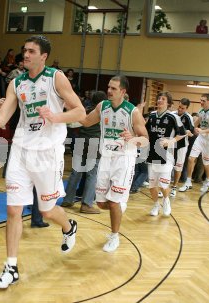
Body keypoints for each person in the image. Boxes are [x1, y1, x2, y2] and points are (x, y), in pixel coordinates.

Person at [0, 35, 85, 289]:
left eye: (31, 51)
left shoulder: (56, 77)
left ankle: (68, 225)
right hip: (20, 149)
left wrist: (55, 116)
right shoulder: (16, 83)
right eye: (24, 50)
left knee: (47, 210)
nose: (25, 54)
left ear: (43, 56)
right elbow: (1, 118)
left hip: (48, 152)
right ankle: (11, 267)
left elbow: (80, 113)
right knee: (13, 209)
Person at [79, 75, 148, 252]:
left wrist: (133, 138)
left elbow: (145, 139)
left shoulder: (132, 112)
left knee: (114, 202)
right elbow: (86, 121)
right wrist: (68, 111)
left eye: (114, 88)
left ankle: (115, 236)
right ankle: (120, 201)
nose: (109, 91)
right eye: (109, 87)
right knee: (102, 204)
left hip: (124, 160)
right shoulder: (102, 106)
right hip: (106, 158)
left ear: (123, 92)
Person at [61, 90, 106, 214]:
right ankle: (86, 204)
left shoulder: (85, 109)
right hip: (93, 142)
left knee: (76, 172)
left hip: (81, 141)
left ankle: (68, 199)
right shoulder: (103, 112)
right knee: (92, 174)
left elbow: (72, 124)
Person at [145, 92, 186, 217]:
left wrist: (170, 141)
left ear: (168, 103)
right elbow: (144, 132)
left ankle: (166, 200)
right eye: (159, 98)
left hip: (166, 155)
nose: (160, 100)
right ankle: (156, 204)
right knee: (152, 185)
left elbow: (182, 133)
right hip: (152, 153)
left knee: (163, 184)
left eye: (163, 99)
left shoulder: (173, 117)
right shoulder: (151, 116)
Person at [179, 94, 209, 193]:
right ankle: (188, 182)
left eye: (203, 101)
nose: (201, 102)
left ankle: (207, 180)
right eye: (200, 100)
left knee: (206, 163)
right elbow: (195, 124)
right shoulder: (201, 111)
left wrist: (203, 131)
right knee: (190, 158)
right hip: (201, 138)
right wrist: (187, 130)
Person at [170, 98, 194, 197]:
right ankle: (164, 187)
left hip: (182, 145)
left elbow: (191, 133)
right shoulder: (172, 114)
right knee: (167, 166)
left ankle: (174, 187)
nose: (180, 109)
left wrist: (189, 132)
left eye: (182, 108)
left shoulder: (188, 117)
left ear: (187, 108)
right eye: (179, 107)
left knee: (178, 167)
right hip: (171, 143)